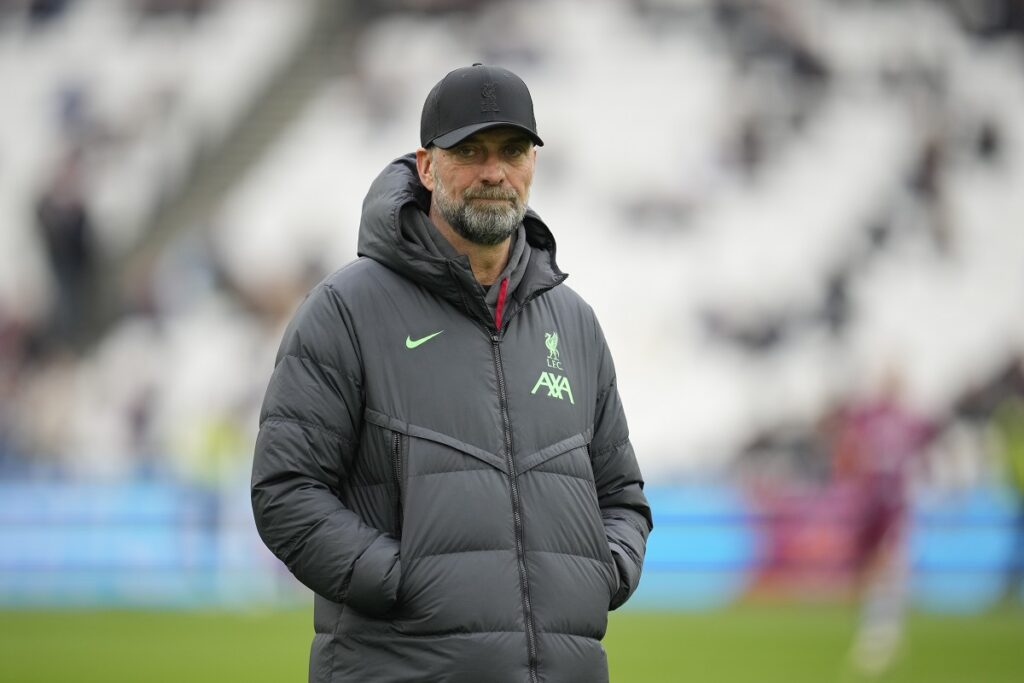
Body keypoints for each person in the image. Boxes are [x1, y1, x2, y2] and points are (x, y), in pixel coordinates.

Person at [251, 63, 652, 683]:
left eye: (513, 151)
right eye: (470, 151)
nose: (495, 172)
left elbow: (622, 497)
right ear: (427, 166)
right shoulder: (344, 311)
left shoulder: (574, 324)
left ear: (533, 164)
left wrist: (602, 573)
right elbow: (285, 491)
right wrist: (406, 579)